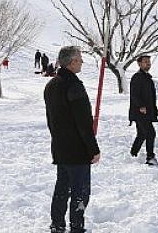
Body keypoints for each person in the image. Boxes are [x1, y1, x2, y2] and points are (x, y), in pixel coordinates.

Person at [44, 46, 101, 233]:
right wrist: (93, 149)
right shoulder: (74, 86)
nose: (82, 62)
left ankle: (57, 225)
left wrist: (58, 141)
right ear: (72, 62)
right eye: (80, 59)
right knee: (80, 192)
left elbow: (51, 120)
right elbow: (83, 122)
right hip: (77, 150)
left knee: (62, 188)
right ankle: (76, 227)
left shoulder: (51, 85)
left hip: (60, 147)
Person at [129, 55, 158, 166]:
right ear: (139, 64)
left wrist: (154, 110)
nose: (148, 63)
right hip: (140, 112)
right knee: (151, 133)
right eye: (145, 62)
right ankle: (150, 157)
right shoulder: (137, 77)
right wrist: (141, 106)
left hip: (147, 112)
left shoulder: (147, 77)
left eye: (149, 62)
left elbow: (151, 97)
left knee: (142, 134)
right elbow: (134, 94)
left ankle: (133, 153)